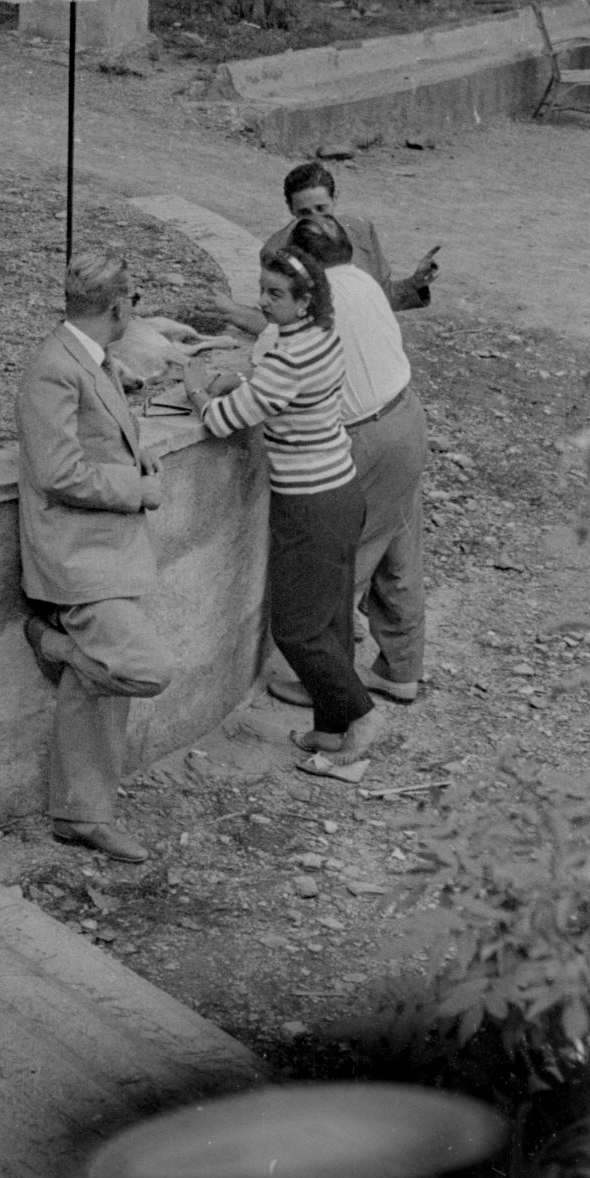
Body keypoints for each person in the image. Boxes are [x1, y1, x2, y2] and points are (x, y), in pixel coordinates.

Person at [183, 249, 387, 759]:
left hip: (309, 504)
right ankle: (331, 725)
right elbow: (282, 396)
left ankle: (362, 717)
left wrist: (197, 392)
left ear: (305, 301)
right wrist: (249, 385)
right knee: (333, 618)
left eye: (275, 294)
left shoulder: (288, 355)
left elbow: (223, 420)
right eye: (263, 290)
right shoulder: (320, 337)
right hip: (341, 491)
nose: (263, 302)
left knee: (295, 629)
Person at [16, 252, 172, 863]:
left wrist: (137, 457)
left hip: (104, 549)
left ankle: (82, 813)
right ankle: (52, 644)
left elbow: (97, 431)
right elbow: (58, 472)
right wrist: (139, 490)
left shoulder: (85, 354)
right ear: (120, 305)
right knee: (147, 670)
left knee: (103, 684)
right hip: (78, 559)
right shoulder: (56, 368)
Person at [262, 212, 427, 707]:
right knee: (398, 554)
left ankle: (329, 688)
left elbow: (272, 378)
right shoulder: (363, 281)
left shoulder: (313, 309)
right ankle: (401, 668)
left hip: (365, 438)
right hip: (406, 416)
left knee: (337, 566)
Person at [212, 161, 438, 336]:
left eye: (322, 208)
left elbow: (380, 298)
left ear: (335, 199)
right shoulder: (277, 251)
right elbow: (279, 325)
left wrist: (414, 283)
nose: (316, 220)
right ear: (291, 210)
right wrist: (235, 313)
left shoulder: (360, 229)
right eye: (304, 213)